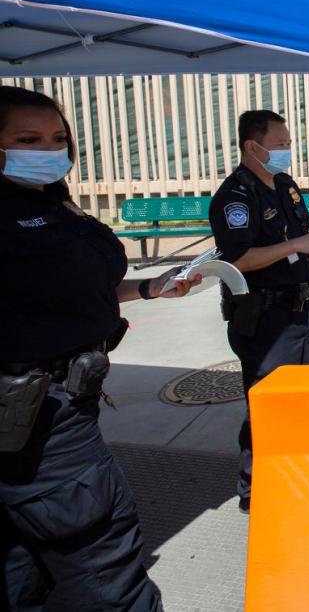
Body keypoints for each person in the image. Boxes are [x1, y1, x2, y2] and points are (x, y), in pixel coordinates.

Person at [0, 85, 201, 610]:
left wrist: (150, 287)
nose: (47, 150)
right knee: (104, 569)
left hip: (65, 406)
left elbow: (77, 288)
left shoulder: (53, 205)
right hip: (38, 420)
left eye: (57, 138)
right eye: (28, 138)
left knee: (25, 567)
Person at [208, 109, 309, 513]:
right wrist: (296, 247)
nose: (288, 150)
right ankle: (256, 489)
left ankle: (300, 472)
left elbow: (303, 239)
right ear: (253, 147)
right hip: (266, 321)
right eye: (280, 144)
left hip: (303, 313)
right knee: (268, 409)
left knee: (307, 402)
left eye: (288, 143)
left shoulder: (284, 185)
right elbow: (238, 259)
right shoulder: (234, 197)